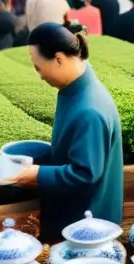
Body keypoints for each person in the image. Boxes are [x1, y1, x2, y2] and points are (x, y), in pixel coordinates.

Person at [13, 22, 123, 242]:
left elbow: (85, 174)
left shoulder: (90, 110)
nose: (40, 76)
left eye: (38, 67)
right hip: (78, 212)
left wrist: (34, 174)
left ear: (59, 59)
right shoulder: (74, 87)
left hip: (89, 223)